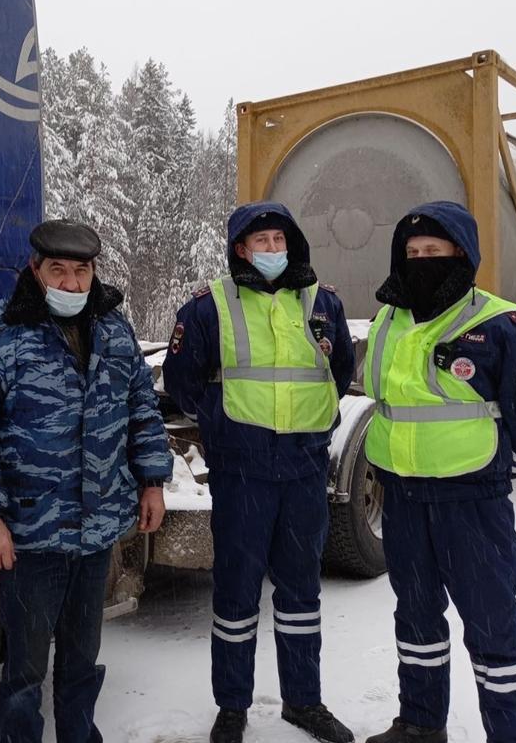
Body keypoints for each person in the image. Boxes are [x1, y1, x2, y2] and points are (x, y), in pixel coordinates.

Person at [0, 219, 171, 743]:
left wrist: (153, 479)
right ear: (35, 271)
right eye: (58, 271)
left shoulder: (113, 331)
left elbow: (141, 410)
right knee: (22, 674)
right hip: (31, 534)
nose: (70, 284)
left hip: (96, 532)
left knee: (82, 661)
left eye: (81, 272)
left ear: (93, 274)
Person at [361, 201, 516, 743]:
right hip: (402, 495)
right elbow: (382, 399)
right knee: (417, 619)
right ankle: (421, 723)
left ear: (461, 255)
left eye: (434, 252)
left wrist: (500, 470)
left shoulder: (499, 321)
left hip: (471, 499)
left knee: (493, 625)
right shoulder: (388, 318)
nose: (421, 260)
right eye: (413, 252)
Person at [163, 201, 356, 743]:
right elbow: (181, 380)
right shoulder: (210, 305)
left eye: (279, 240)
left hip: (302, 468)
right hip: (241, 471)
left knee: (301, 593)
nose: (271, 250)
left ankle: (303, 701)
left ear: (291, 244)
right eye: (260, 242)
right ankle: (232, 705)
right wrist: (225, 424)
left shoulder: (324, 304)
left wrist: (307, 421)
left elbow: (340, 370)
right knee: (236, 592)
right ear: (240, 250)